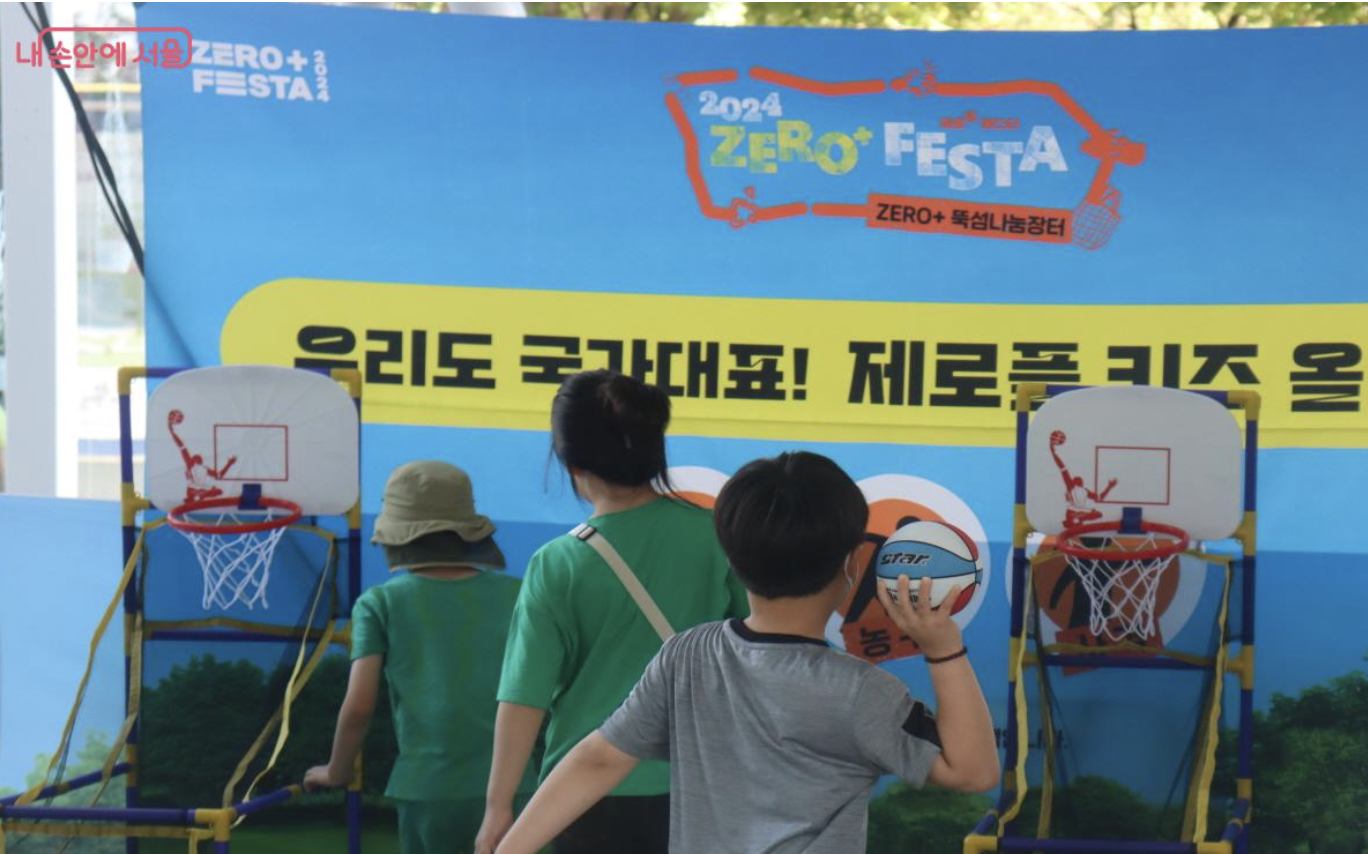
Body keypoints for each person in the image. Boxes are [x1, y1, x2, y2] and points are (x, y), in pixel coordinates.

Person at [491, 451, 1001, 854]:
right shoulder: (861, 690)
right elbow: (973, 772)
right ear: (851, 564)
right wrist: (944, 650)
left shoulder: (687, 657)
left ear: (731, 560)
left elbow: (598, 759)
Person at [476, 370, 749, 854]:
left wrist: (499, 807)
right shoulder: (719, 536)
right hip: (696, 782)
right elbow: (758, 648)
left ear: (568, 458)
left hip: (581, 791)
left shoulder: (557, 563)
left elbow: (524, 698)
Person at [305, 460, 536, 854]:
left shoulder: (379, 603)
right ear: (468, 532)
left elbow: (360, 706)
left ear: (396, 537)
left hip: (429, 790)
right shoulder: (521, 594)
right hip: (516, 785)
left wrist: (336, 771)